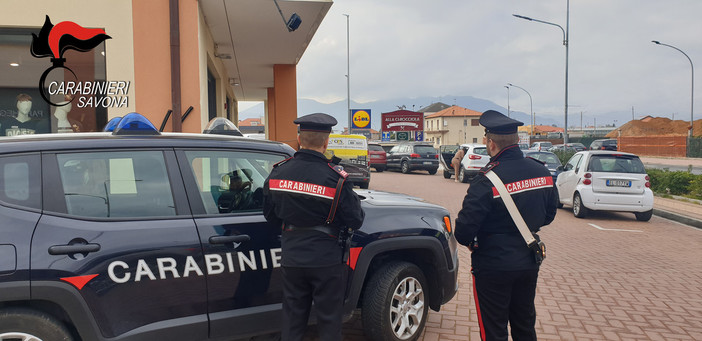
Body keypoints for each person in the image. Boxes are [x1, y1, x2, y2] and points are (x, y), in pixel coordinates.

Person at [454, 110, 558, 341]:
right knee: (524, 326)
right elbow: (549, 215)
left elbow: (463, 232)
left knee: (494, 330)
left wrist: (475, 241)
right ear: (516, 140)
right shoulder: (541, 171)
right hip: (528, 261)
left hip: (493, 265)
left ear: (491, 143)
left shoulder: (486, 179)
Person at [263, 113, 365, 341]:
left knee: (292, 320)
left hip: (293, 257)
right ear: (326, 141)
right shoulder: (336, 178)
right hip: (326, 260)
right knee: (329, 322)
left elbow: (270, 215)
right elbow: (355, 219)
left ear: (299, 139)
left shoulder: (278, 172)